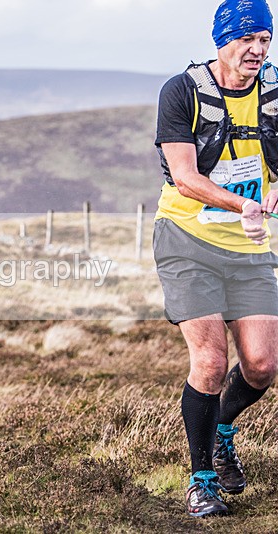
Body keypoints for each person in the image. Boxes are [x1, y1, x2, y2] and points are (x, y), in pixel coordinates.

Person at [154, 0, 278, 518]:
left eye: (265, 40)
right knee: (209, 362)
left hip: (249, 248)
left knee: (263, 365)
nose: (256, 50)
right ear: (222, 41)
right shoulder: (181, 92)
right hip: (187, 239)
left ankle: (223, 430)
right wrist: (245, 203)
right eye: (247, 39)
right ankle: (201, 478)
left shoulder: (275, 95)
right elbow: (184, 175)